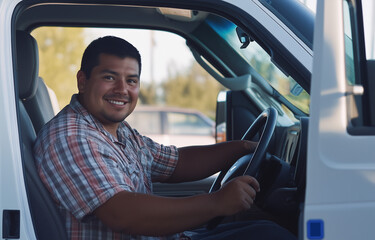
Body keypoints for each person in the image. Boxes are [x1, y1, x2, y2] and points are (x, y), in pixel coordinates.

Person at [33, 36, 296, 240]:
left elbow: (177, 162)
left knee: (264, 229)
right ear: (82, 81)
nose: (122, 90)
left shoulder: (116, 131)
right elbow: (122, 214)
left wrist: (242, 148)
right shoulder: (72, 137)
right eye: (109, 77)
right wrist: (216, 203)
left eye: (131, 80)